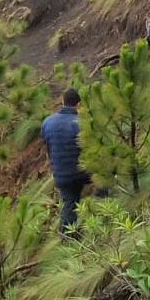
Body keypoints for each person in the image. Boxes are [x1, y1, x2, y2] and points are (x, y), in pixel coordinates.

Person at [42, 88, 95, 234]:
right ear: (79, 104)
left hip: (60, 174)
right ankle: (102, 212)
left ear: (62, 102)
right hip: (82, 172)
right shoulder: (81, 122)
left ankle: (67, 239)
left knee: (68, 204)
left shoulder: (47, 122)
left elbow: (48, 148)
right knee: (103, 180)